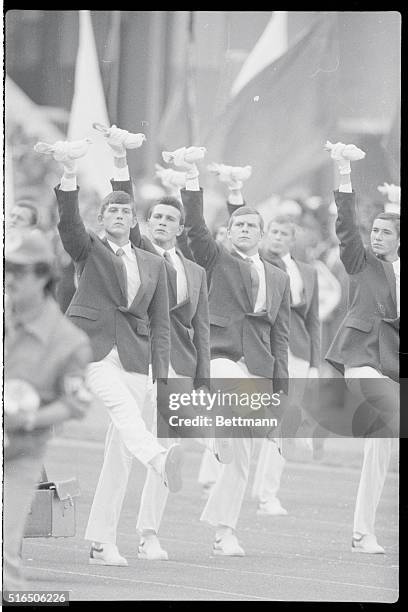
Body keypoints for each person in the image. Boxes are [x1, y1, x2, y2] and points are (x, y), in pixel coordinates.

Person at [39, 139, 183, 567]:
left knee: (120, 450)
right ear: (101, 221)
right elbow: (68, 225)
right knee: (124, 412)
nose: (119, 216)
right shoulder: (90, 250)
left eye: (126, 211)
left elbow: (161, 323)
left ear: (133, 220)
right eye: (112, 212)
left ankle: (103, 542)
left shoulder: (153, 263)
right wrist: (68, 174)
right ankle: (159, 458)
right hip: (92, 350)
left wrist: (161, 371)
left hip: (137, 358)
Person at [82, 125, 211, 561]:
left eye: (170, 219)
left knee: (168, 449)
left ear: (179, 228)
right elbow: (122, 199)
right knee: (123, 449)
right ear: (145, 222)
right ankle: (103, 537)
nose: (161, 223)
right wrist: (121, 161)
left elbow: (203, 329)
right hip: (136, 358)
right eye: (154, 217)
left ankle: (149, 533)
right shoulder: (137, 252)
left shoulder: (196, 271)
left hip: (178, 365)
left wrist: (202, 379)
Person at [169, 150, 290, 556]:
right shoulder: (216, 258)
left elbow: (281, 335)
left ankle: (224, 531)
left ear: (261, 233)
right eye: (236, 223)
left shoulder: (278, 277)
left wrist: (281, 387)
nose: (242, 229)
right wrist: (191, 176)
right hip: (218, 356)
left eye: (250, 226)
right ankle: (210, 432)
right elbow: (198, 230)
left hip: (258, 363)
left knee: (240, 457)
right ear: (229, 230)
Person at [3, 230, 93, 591]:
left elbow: (76, 403)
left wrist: (30, 419)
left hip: (19, 455)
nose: (9, 278)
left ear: (43, 276)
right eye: (6, 268)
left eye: (19, 271)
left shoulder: (69, 342)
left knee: (5, 558)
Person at [325, 141, 399, 554]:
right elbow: (347, 229)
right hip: (360, 360)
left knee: (382, 446)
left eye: (386, 232)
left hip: (389, 366)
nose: (376, 236)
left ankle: (362, 531)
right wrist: (345, 174)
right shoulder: (362, 261)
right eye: (376, 231)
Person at [251, 213, 320, 515]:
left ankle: (267, 493)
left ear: (293, 239)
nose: (276, 237)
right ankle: (217, 474)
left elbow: (313, 320)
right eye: (273, 232)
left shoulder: (308, 271)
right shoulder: (259, 263)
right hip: (267, 350)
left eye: (283, 233)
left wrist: (315, 362)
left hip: (299, 353)